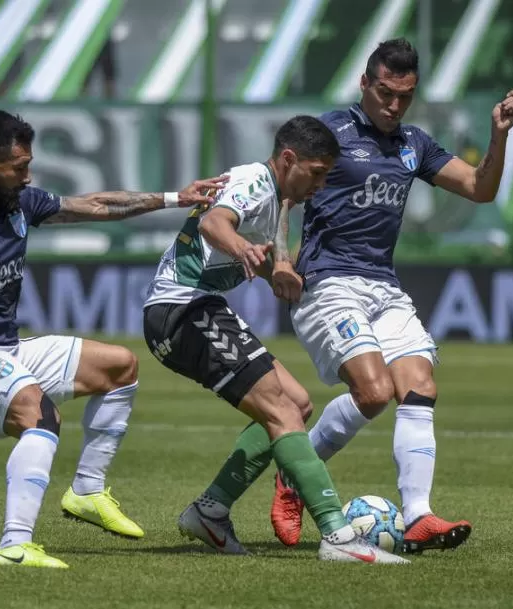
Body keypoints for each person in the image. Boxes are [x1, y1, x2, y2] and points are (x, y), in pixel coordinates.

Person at [0, 109, 227, 569]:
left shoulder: (19, 203)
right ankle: (14, 545)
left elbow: (95, 204)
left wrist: (175, 197)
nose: (28, 175)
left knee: (120, 367)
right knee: (41, 414)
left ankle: (86, 491)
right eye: (19, 168)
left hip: (7, 349)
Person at [269, 38, 513, 553]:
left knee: (420, 385)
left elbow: (479, 188)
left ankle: (418, 516)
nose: (393, 105)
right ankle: (295, 476)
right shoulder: (331, 133)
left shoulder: (415, 144)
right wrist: (278, 259)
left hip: (383, 286)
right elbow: (283, 193)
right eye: (385, 92)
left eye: (404, 96)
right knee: (374, 392)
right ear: (365, 84)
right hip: (328, 283)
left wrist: (497, 137)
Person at [142, 115, 409, 564]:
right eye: (317, 173)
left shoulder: (278, 202)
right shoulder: (255, 181)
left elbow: (257, 250)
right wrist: (243, 250)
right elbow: (214, 224)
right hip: (182, 311)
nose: (320, 186)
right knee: (282, 410)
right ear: (288, 159)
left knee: (297, 403)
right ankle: (338, 536)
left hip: (199, 309)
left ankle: (211, 511)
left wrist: (279, 273)